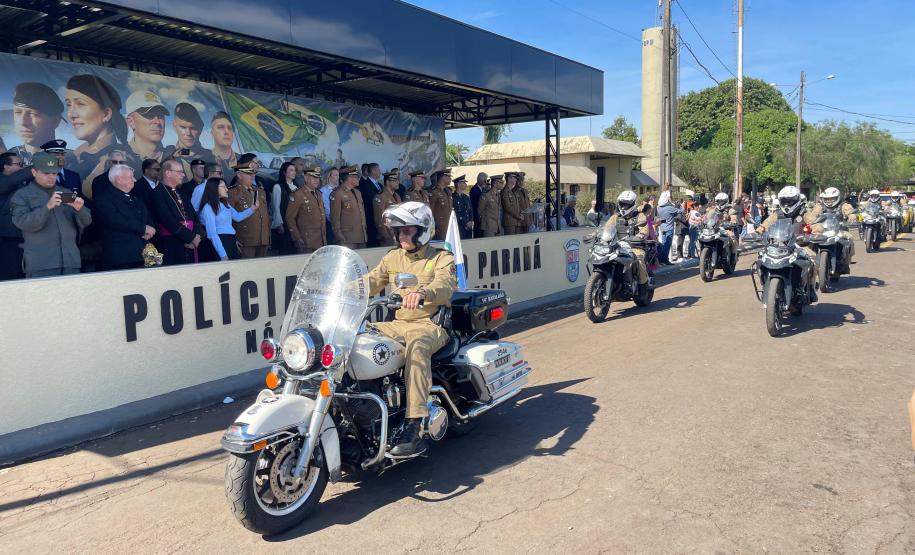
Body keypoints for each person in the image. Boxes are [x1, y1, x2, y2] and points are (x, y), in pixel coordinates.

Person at [368, 201, 456, 456]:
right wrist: (340, 289)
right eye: (398, 231)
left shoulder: (441, 257)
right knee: (359, 336)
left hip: (429, 325)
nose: (401, 236)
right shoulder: (392, 257)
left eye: (407, 230)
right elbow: (371, 281)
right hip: (397, 325)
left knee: (417, 348)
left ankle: (415, 423)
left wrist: (423, 291)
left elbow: (445, 284)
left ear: (422, 230)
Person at [10, 152, 91, 278]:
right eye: (46, 173)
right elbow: (23, 223)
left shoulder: (66, 192)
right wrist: (47, 207)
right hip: (42, 263)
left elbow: (86, 222)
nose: (51, 177)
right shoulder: (22, 195)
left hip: (70, 262)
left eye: (54, 173)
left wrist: (79, 210)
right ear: (34, 172)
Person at [63, 74, 135, 197]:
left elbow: (87, 197)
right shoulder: (75, 156)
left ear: (106, 114)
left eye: (80, 104)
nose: (71, 114)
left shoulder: (118, 158)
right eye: (69, 104)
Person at [756, 185, 817, 304]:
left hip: (799, 245)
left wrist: (816, 232)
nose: (787, 204)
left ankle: (810, 287)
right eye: (784, 201)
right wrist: (758, 231)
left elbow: (815, 223)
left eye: (790, 201)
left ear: (797, 200)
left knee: (812, 260)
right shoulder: (777, 214)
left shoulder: (804, 212)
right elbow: (766, 224)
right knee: (760, 259)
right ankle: (765, 284)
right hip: (778, 245)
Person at [94, 163, 156, 270]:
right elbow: (114, 220)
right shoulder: (104, 198)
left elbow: (147, 215)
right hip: (121, 256)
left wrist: (151, 228)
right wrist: (143, 228)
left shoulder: (135, 197)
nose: (135, 180)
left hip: (143, 252)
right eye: (131, 177)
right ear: (119, 179)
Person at [150, 158, 201, 265]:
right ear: (168, 173)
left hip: (191, 241)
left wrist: (196, 236)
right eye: (180, 172)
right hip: (171, 244)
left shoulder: (181, 192)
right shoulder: (157, 193)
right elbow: (167, 219)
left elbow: (194, 217)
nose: (183, 175)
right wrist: (190, 237)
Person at [199, 177, 258, 260]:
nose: (227, 189)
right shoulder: (208, 207)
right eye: (223, 187)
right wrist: (222, 254)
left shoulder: (224, 204)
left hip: (231, 239)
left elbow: (237, 217)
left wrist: (252, 209)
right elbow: (212, 233)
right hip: (220, 241)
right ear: (214, 188)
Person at [600, 190, 650, 287]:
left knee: (639, 261)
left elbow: (644, 229)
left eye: (626, 204)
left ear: (633, 204)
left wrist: (640, 235)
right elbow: (606, 228)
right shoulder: (615, 217)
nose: (623, 207)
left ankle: (643, 285)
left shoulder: (640, 216)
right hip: (617, 246)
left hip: (635, 246)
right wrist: (596, 234)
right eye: (622, 204)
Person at [9, 83, 64, 167]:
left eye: (33, 114)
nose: (23, 122)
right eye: (18, 112)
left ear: (55, 121)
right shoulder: (5, 159)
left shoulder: (73, 161)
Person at [805, 187, 856, 269]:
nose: (829, 201)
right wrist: (812, 221)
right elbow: (813, 215)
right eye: (827, 199)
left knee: (850, 238)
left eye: (832, 199)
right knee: (810, 240)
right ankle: (812, 261)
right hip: (823, 230)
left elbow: (849, 211)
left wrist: (851, 216)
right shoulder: (820, 206)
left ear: (837, 198)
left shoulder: (843, 205)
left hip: (840, 230)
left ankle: (847, 260)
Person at [0, 152, 32, 280]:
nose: (22, 168)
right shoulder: (5, 181)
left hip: (27, 240)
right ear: (5, 166)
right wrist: (38, 167)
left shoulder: (23, 183)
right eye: (19, 164)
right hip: (7, 241)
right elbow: (12, 181)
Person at [228, 162, 270, 258]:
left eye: (253, 173)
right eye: (249, 173)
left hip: (262, 238)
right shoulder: (232, 192)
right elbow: (227, 217)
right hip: (245, 240)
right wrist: (233, 239)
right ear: (239, 175)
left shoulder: (260, 190)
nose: (252, 176)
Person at [163, 103, 213, 177]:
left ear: (200, 129)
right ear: (174, 127)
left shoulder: (211, 156)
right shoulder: (167, 154)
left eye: (193, 128)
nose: (188, 133)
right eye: (183, 127)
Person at [285, 164, 327, 254]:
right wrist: (297, 238)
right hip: (306, 242)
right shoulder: (298, 194)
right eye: (313, 177)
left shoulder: (319, 194)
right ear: (306, 178)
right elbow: (290, 218)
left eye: (318, 177)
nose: (317, 180)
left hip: (321, 241)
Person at [125, 89, 169, 163]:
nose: (157, 122)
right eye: (149, 115)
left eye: (160, 115)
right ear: (131, 122)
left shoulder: (177, 159)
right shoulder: (120, 159)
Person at [330, 165, 368, 249]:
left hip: (361, 236)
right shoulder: (337, 193)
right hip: (347, 238)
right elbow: (334, 218)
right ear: (350, 178)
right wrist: (339, 237)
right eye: (356, 177)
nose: (359, 179)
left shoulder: (358, 192)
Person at [706, 192, 739, 261]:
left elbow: (734, 220)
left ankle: (733, 255)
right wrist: (702, 222)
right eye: (718, 201)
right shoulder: (712, 210)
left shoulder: (731, 210)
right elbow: (706, 218)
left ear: (726, 201)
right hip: (714, 229)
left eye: (722, 201)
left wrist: (732, 223)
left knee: (732, 236)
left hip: (725, 229)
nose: (720, 203)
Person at [374, 168, 402, 246]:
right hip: (388, 236)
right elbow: (379, 219)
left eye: (398, 180)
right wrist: (387, 237)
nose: (398, 182)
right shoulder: (381, 196)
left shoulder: (397, 196)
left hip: (398, 234)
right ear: (387, 182)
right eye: (395, 180)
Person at [209, 111, 239, 182]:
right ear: (212, 133)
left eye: (229, 128)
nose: (226, 131)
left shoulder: (242, 160)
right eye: (221, 127)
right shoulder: (205, 159)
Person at [359, 162, 383, 246]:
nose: (380, 172)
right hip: (370, 220)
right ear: (373, 171)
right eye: (378, 170)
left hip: (380, 220)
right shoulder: (364, 185)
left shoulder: (379, 185)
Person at [656, 190, 680, 265]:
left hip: (662, 228)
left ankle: (661, 259)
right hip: (669, 228)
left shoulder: (659, 208)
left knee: (663, 244)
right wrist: (674, 205)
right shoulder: (669, 207)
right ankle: (665, 259)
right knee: (668, 245)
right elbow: (680, 211)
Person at [429, 169, 453, 240]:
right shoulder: (434, 191)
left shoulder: (448, 191)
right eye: (449, 176)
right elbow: (431, 210)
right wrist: (434, 226)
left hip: (448, 225)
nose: (450, 179)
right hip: (439, 227)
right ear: (443, 177)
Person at [320, 166, 339, 244]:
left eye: (338, 175)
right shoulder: (323, 191)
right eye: (336, 175)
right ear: (329, 177)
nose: (338, 177)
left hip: (344, 225)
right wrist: (335, 221)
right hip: (331, 225)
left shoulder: (341, 189)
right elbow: (327, 209)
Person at [452, 174, 474, 239]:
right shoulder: (453, 197)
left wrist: (471, 221)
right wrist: (465, 223)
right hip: (460, 227)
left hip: (468, 227)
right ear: (458, 184)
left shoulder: (466, 197)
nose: (466, 184)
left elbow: (470, 210)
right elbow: (456, 213)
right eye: (464, 182)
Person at [470, 172, 487, 238]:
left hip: (483, 217)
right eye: (484, 180)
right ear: (480, 180)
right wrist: (478, 217)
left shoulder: (483, 189)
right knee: (478, 235)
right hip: (477, 218)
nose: (485, 182)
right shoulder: (474, 190)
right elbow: (474, 205)